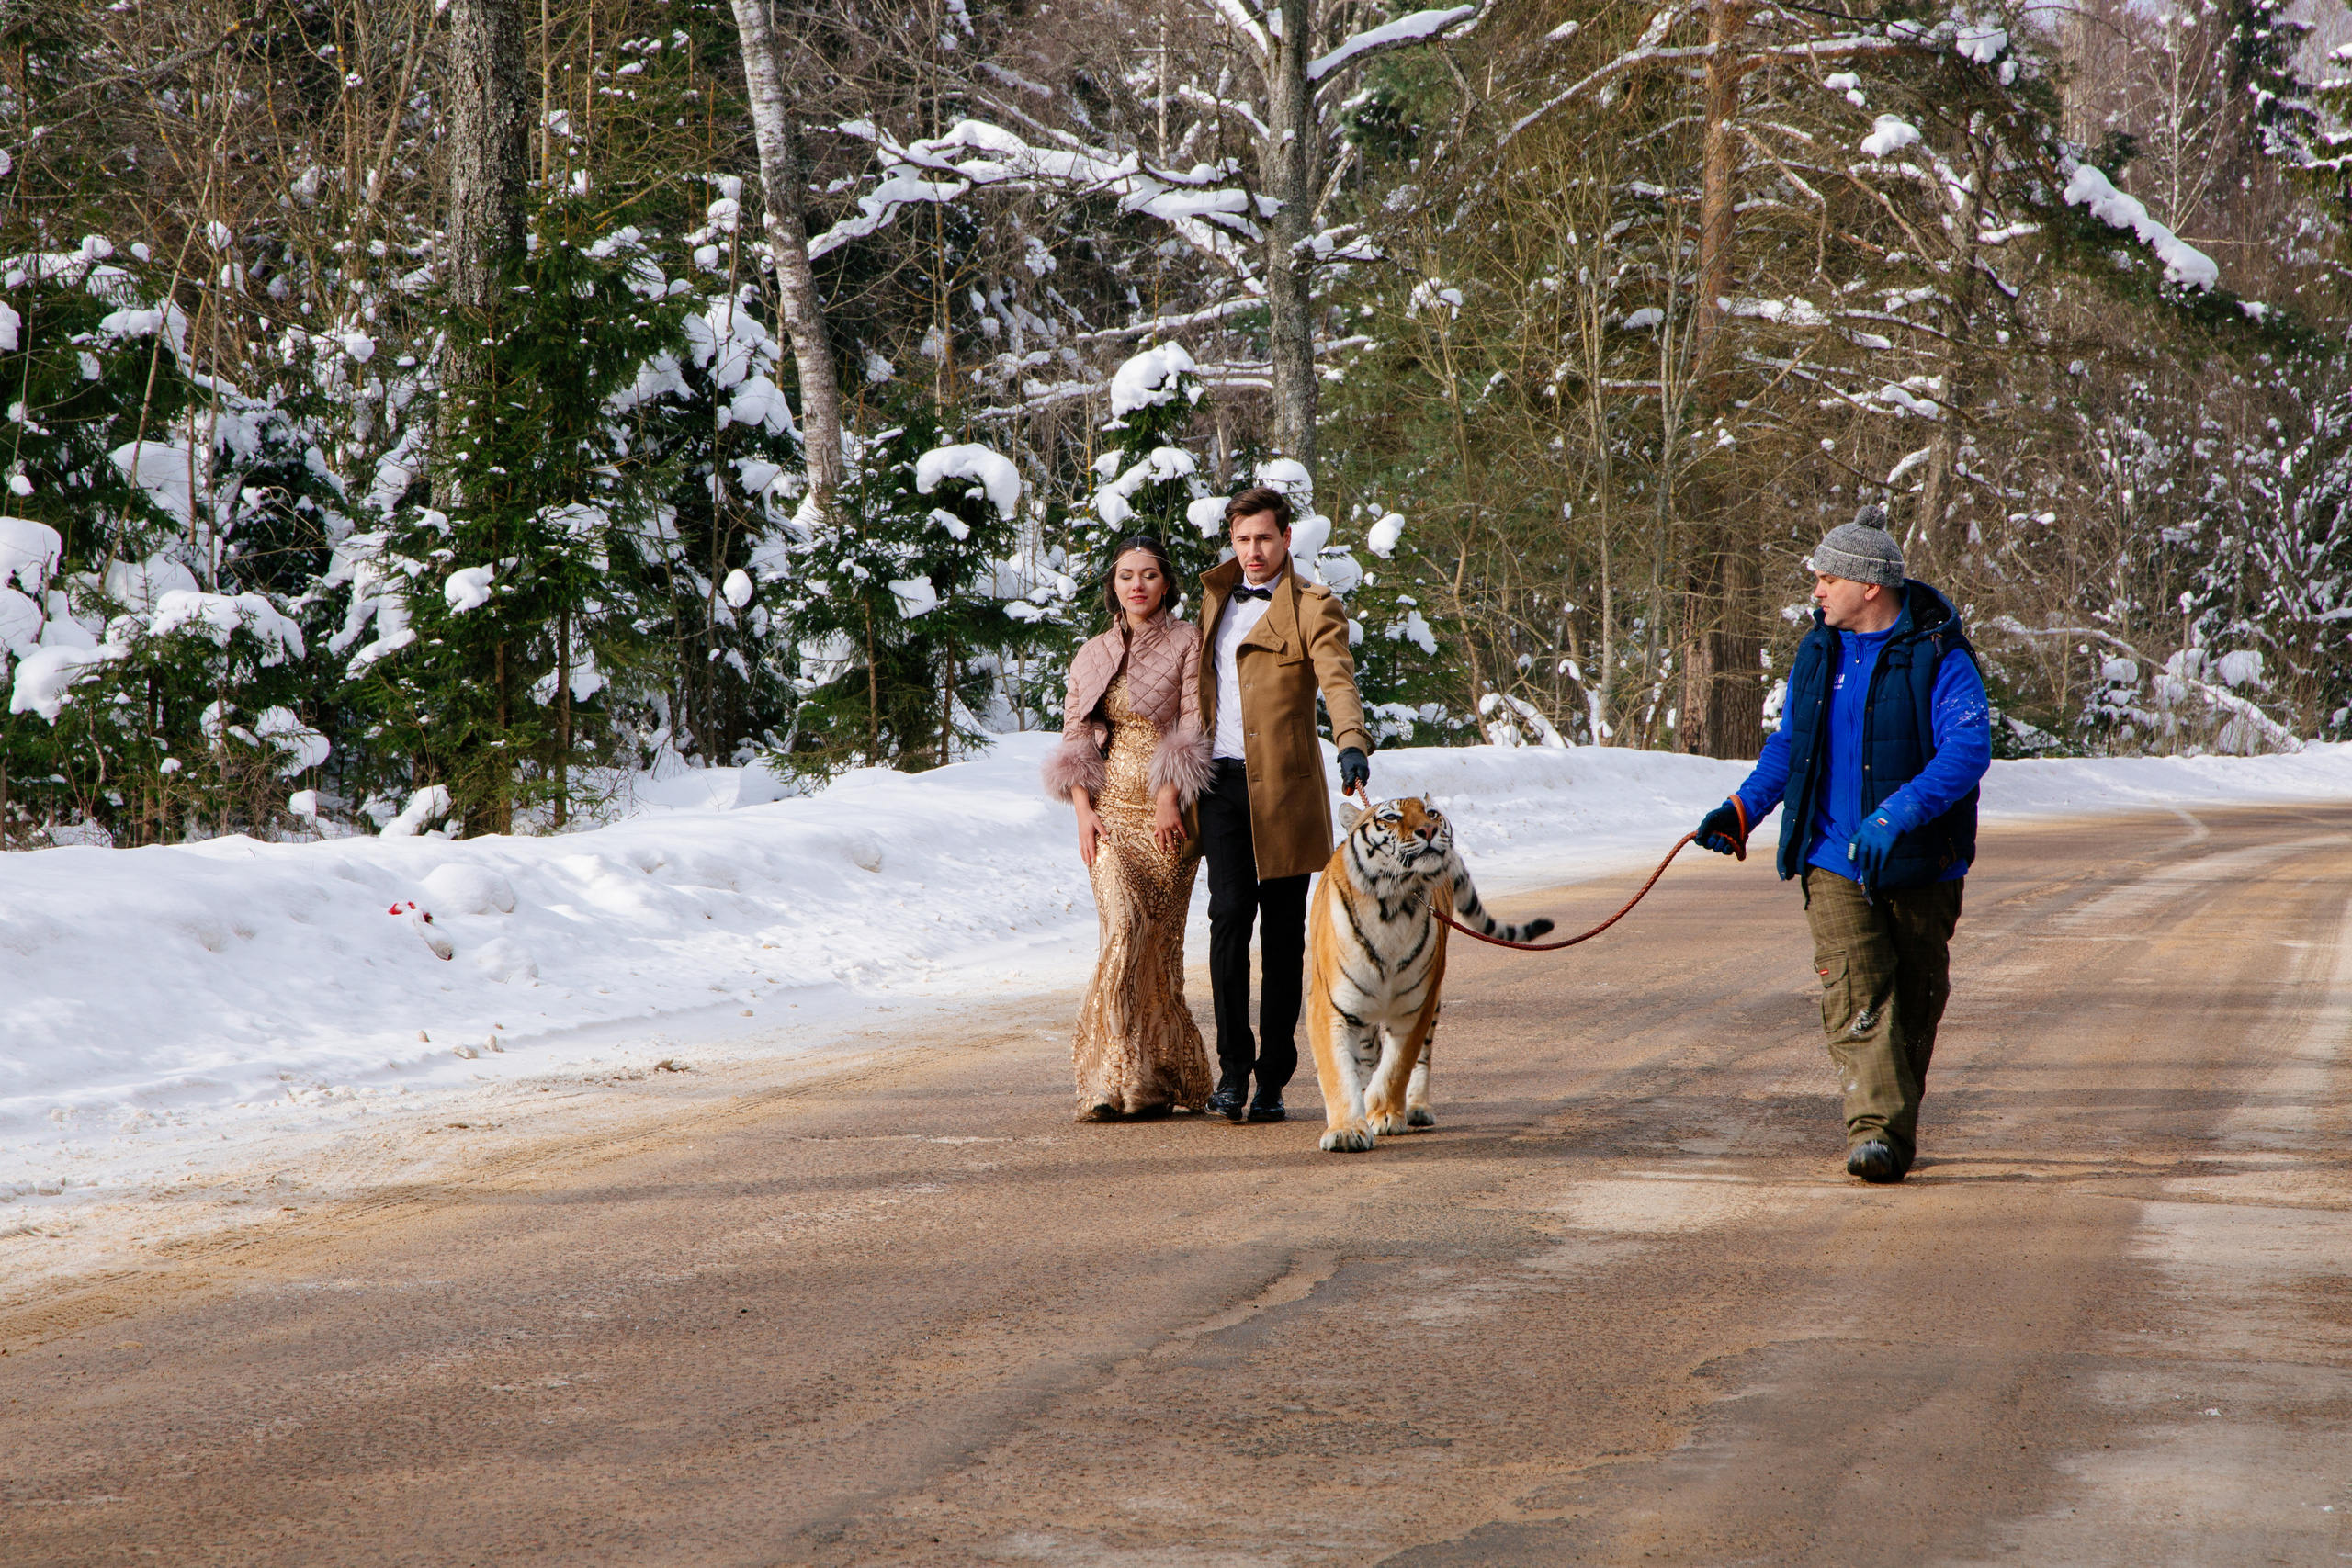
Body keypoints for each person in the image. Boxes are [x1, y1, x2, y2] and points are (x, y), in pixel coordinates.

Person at [1693, 506, 1992, 1184]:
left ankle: (1890, 1121)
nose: (1817, 590)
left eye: (1829, 578)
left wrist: (1898, 814)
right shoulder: (1817, 651)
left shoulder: (1938, 653)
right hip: (1831, 854)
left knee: (1915, 997)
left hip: (1921, 858)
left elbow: (1969, 747)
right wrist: (1743, 809)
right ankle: (1876, 1135)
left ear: (1870, 587)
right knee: (1859, 991)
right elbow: (1790, 746)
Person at [1194, 486, 1375, 1123]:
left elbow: (1337, 678)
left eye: (1264, 538)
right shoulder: (1214, 596)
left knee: (1280, 934)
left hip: (1287, 790)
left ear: (1286, 539)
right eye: (1242, 539)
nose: (1252, 550)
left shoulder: (1313, 606)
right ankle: (1230, 1070)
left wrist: (1350, 741)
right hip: (1220, 785)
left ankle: (1272, 1078)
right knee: (1227, 919)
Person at [1044, 536, 1218, 1121]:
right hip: (1111, 811)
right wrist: (1082, 811)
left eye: (1148, 575)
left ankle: (1154, 1078)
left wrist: (1170, 794)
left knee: (1157, 949)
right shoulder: (1090, 652)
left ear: (1166, 582)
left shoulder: (1189, 641)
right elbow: (1075, 736)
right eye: (1125, 576)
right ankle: (1104, 1079)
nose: (1137, 585)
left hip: (1165, 815)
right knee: (1121, 931)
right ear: (1112, 585)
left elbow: (1195, 722)